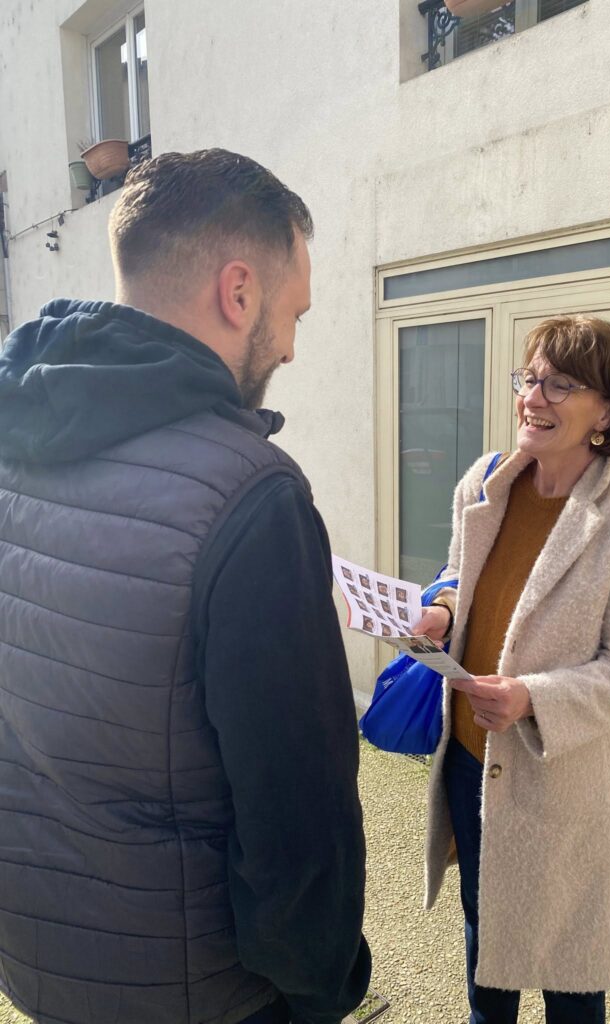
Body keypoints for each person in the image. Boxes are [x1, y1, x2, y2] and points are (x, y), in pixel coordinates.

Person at [0, 149, 370, 1024]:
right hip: (201, 992)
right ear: (238, 292)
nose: (289, 344)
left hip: (39, 956)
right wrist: (322, 988)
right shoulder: (252, 497)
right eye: (291, 314)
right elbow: (296, 820)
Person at [414, 314, 610, 1024]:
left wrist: (532, 698)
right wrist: (441, 607)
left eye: (560, 384)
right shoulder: (487, 481)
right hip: (472, 755)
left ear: (608, 410)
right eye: (529, 378)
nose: (534, 396)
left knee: (569, 972)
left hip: (559, 778)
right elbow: (459, 575)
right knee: (484, 946)